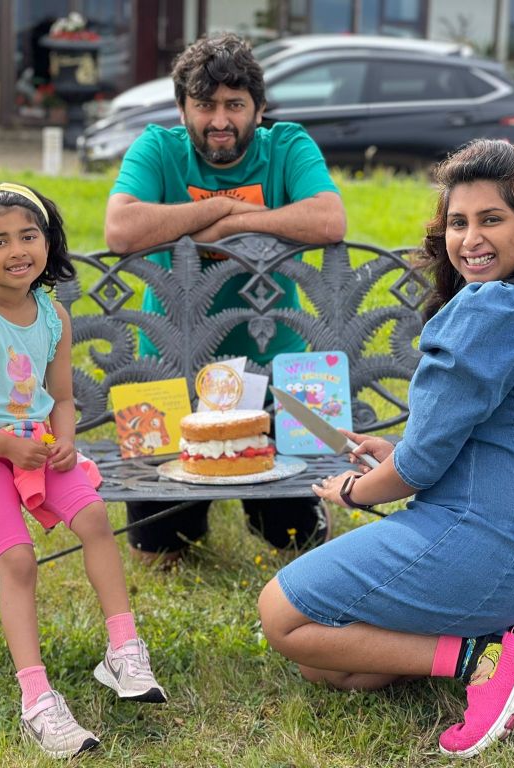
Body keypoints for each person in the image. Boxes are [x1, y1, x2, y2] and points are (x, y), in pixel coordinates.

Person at [258, 139, 514, 759]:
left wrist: (353, 491)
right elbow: (490, 440)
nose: (470, 238)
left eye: (492, 219)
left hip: (482, 540)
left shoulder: (495, 306)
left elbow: (416, 470)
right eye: (458, 222)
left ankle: (488, 661)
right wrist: (398, 447)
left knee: (284, 615)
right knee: (334, 666)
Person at [0, 183, 166, 760]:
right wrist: (4, 446)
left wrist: (65, 440)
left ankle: (123, 650)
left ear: (47, 243)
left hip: (37, 446)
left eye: (28, 236)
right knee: (18, 558)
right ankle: (37, 700)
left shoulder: (53, 315)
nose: (17, 250)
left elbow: (62, 398)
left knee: (94, 517)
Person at [103, 33, 347, 563]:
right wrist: (221, 210)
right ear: (182, 109)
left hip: (275, 364)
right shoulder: (157, 147)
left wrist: (219, 226)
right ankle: (180, 524)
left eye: (234, 105)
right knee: (159, 547)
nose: (220, 120)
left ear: (258, 109)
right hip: (167, 363)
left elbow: (329, 219)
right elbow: (120, 229)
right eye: (205, 105)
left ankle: (286, 514)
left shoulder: (287, 145)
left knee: (295, 538)